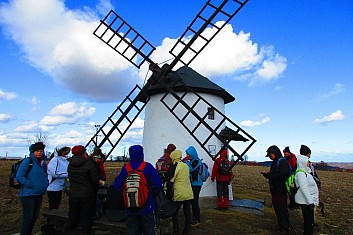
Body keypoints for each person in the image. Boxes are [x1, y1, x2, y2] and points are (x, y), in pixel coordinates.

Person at [114, 145, 162, 235]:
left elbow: (117, 187)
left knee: (133, 231)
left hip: (130, 207)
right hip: (147, 207)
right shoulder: (148, 167)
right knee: (149, 230)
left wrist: (126, 195)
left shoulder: (126, 169)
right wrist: (150, 195)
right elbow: (158, 185)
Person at [65, 145, 100, 235]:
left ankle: (70, 232)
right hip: (87, 195)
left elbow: (70, 178)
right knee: (87, 217)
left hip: (74, 194)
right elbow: (95, 180)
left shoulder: (70, 164)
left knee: (73, 215)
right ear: (82, 153)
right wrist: (94, 191)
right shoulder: (88, 164)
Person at [16, 142, 49, 235]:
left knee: (34, 216)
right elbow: (19, 176)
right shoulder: (28, 161)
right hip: (28, 194)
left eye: (41, 151)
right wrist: (30, 184)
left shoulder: (42, 163)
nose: (39, 153)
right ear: (33, 151)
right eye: (37, 151)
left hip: (38, 193)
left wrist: (45, 183)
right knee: (28, 217)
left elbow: (44, 175)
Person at [261, 145, 291, 234]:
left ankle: (285, 228)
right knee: (277, 208)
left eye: (270, 155)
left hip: (281, 190)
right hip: (275, 189)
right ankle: (280, 225)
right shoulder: (276, 161)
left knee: (282, 208)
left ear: (274, 153)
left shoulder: (282, 162)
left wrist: (269, 175)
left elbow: (282, 174)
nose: (270, 157)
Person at [167, 149, 194, 235]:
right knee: (187, 212)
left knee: (174, 212)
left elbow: (171, 180)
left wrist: (167, 187)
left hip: (179, 193)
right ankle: (186, 231)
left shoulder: (175, 166)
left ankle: (176, 231)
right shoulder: (185, 165)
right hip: (188, 192)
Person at [295, 153, 319, 235]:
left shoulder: (305, 172)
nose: (309, 163)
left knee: (309, 221)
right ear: (303, 162)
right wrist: (310, 202)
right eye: (308, 161)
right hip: (306, 202)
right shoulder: (301, 174)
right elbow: (304, 188)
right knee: (308, 221)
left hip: (307, 201)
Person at [185, 146, 203, 226]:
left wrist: (186, 162)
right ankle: (195, 218)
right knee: (193, 201)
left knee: (194, 202)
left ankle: (197, 219)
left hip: (196, 184)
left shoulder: (196, 161)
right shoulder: (193, 160)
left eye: (188, 154)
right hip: (194, 183)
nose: (187, 155)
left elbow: (191, 169)